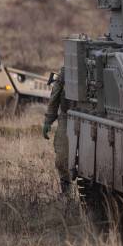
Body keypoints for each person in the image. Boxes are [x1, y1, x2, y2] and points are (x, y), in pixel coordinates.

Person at [42, 67, 72, 195]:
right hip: (67, 117)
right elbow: (54, 98)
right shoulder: (66, 72)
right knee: (61, 159)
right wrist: (48, 121)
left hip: (92, 118)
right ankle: (66, 193)